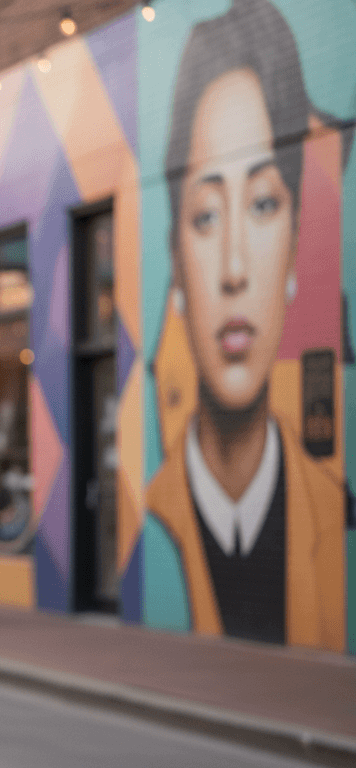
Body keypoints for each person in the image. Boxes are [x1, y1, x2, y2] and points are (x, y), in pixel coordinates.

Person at [146, 0, 345, 649]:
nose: (233, 268)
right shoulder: (152, 512)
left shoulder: (332, 508)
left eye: (263, 204)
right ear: (174, 260)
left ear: (292, 247)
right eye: (205, 215)